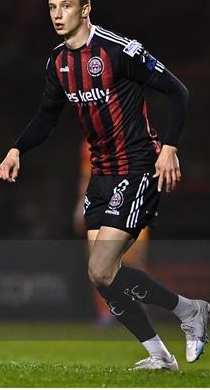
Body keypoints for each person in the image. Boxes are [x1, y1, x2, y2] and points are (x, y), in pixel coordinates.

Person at [0, 0, 210, 370]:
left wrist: (169, 148)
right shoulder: (58, 63)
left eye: (66, 6)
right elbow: (47, 116)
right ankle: (162, 353)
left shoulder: (118, 50)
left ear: (85, 9)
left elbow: (178, 91)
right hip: (101, 173)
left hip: (137, 166)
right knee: (103, 277)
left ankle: (188, 312)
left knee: (100, 267)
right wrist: (17, 149)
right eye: (52, 7)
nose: (58, 14)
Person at [74, 140, 150, 327]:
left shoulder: (138, 137)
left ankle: (140, 313)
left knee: (134, 263)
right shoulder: (89, 145)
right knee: (98, 263)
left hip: (132, 206)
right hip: (100, 208)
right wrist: (80, 207)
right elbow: (86, 178)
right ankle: (106, 313)